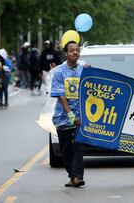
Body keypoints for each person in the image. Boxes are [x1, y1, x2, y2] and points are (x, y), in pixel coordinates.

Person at [50, 41, 85, 187]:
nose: (75, 53)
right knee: (65, 151)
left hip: (81, 118)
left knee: (78, 147)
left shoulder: (83, 70)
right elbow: (60, 94)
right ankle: (72, 176)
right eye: (72, 50)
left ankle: (77, 177)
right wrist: (70, 114)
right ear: (66, 53)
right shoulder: (59, 72)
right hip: (64, 117)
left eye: (77, 50)